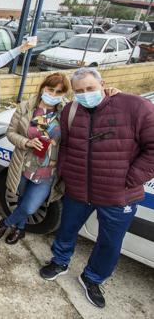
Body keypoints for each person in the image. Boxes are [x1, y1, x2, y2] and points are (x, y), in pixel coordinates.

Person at [39, 68, 154, 309]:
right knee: (67, 230)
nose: (85, 94)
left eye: (90, 89)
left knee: (110, 242)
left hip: (118, 195)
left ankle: (92, 278)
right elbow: (67, 145)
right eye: (79, 91)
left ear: (103, 85)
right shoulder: (71, 110)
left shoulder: (135, 106)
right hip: (78, 189)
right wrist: (66, 172)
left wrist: (131, 178)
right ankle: (60, 262)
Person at [0, 73, 69, 245]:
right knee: (21, 200)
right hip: (24, 167)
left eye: (59, 92)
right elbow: (10, 133)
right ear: (42, 88)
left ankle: (5, 224)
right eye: (51, 89)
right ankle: (20, 229)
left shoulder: (66, 112)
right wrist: (27, 142)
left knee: (29, 207)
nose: (54, 95)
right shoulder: (26, 107)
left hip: (48, 172)